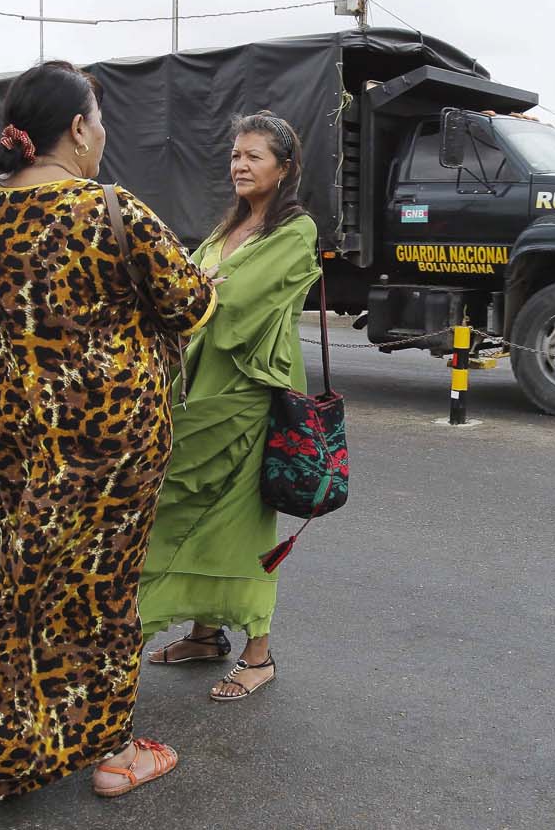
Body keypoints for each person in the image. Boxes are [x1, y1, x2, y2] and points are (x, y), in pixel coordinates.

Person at [0, 61, 216, 803]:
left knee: (28, 575)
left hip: (12, 436)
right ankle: (112, 752)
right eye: (100, 119)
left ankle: (10, 740)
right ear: (79, 128)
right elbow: (188, 303)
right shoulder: (107, 209)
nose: (104, 132)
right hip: (106, 443)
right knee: (101, 589)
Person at [140, 112, 321, 702]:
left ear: (284, 168)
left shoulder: (296, 231)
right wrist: (197, 286)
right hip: (196, 390)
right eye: (236, 155)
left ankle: (258, 653)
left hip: (246, 395)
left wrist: (200, 286)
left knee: (239, 528)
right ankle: (205, 633)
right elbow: (182, 287)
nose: (241, 165)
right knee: (180, 513)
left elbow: (232, 301)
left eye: (255, 157)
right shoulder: (228, 229)